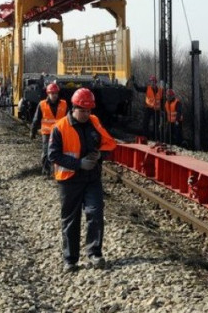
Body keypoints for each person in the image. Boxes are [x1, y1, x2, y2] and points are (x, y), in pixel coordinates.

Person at [47, 88, 116, 273]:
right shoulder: (60, 128)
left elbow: (109, 143)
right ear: (73, 108)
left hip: (92, 178)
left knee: (96, 213)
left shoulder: (94, 122)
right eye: (82, 111)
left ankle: (94, 253)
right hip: (69, 181)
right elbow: (52, 155)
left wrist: (100, 154)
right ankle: (70, 259)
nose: (86, 114)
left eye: (89, 111)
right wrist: (78, 163)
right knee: (71, 219)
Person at [31, 82, 67, 176]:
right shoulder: (42, 104)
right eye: (52, 93)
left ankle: (58, 171)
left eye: (55, 93)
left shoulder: (64, 104)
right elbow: (36, 118)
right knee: (47, 152)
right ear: (48, 93)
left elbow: (69, 118)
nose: (54, 95)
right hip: (47, 132)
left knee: (60, 151)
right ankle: (46, 171)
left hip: (60, 132)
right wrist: (33, 131)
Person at [132, 74, 163, 139]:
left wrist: (162, 110)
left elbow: (162, 101)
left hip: (156, 110)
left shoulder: (160, 91)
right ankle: (145, 137)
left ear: (155, 82)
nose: (152, 83)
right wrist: (134, 82)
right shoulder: (147, 88)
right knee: (145, 123)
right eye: (151, 82)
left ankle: (155, 137)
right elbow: (138, 89)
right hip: (148, 108)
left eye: (153, 82)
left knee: (156, 125)